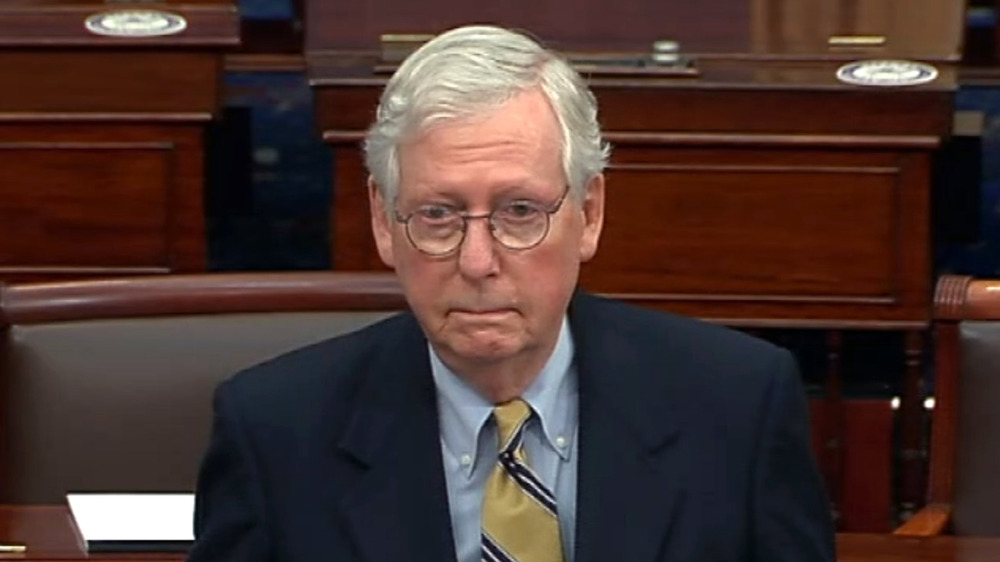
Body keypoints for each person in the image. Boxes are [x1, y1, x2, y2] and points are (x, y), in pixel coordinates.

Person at [188, 24, 835, 562]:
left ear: (590, 212)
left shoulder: (738, 407)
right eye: (437, 215)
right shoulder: (274, 434)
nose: (477, 261)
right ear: (384, 222)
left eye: (520, 211)